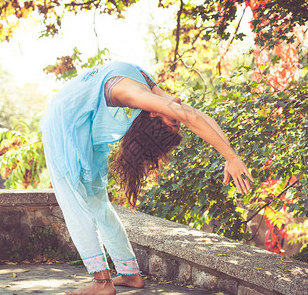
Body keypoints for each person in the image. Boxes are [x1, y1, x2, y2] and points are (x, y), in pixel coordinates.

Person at [40, 61, 252, 295]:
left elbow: (193, 117)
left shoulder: (141, 96)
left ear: (153, 115)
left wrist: (231, 156)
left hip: (67, 123)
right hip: (68, 120)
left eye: (173, 119)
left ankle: (109, 281)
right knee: (82, 201)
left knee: (88, 203)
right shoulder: (149, 93)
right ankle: (120, 276)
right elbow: (195, 116)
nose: (178, 113)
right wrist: (231, 156)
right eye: (175, 120)